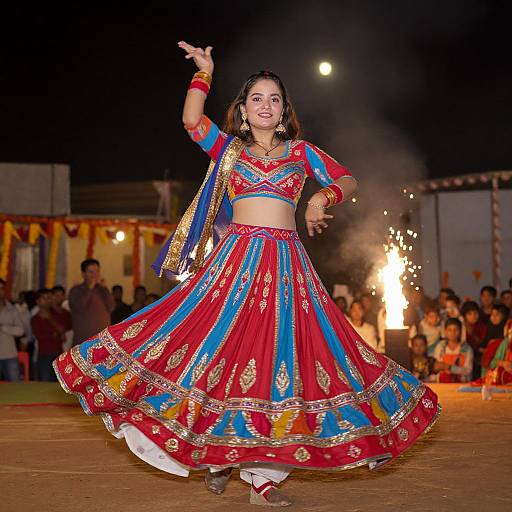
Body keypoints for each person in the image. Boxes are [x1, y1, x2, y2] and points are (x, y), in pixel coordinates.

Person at [53, 42, 440, 508]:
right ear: (243, 109)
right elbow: (192, 121)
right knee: (219, 355)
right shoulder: (230, 151)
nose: (266, 105)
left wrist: (321, 198)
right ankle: (219, 457)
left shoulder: (301, 153)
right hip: (235, 268)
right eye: (257, 97)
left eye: (274, 99)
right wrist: (204, 73)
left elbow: (347, 179)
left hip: (287, 269)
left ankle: (261, 478)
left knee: (283, 365)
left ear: (283, 111)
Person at [68, 259, 115, 346]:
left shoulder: (102, 290)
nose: (95, 275)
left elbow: (111, 307)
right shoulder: (76, 290)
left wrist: (105, 289)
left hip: (102, 341)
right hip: (84, 341)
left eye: (97, 271)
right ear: (83, 274)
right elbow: (80, 307)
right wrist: (89, 288)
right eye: (91, 272)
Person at [31, 289, 66, 381]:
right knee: (44, 383)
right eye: (44, 298)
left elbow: (62, 331)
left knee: (59, 383)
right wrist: (53, 335)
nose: (47, 300)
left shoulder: (56, 315)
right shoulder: (35, 319)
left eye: (49, 298)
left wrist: (50, 318)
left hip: (58, 353)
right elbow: (39, 336)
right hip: (44, 354)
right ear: (38, 301)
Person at [432, 318, 473, 383]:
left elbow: (468, 371)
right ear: (445, 331)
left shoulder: (467, 349)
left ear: (460, 331)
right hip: (442, 384)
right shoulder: (440, 347)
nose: (453, 333)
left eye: (456, 330)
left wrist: (449, 367)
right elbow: (435, 366)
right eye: (450, 330)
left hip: (461, 385)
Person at [0, 279, 24, 381]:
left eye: (1, 288)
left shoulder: (12, 310)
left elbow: (20, 330)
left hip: (9, 354)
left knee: (15, 388)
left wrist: (2, 327)